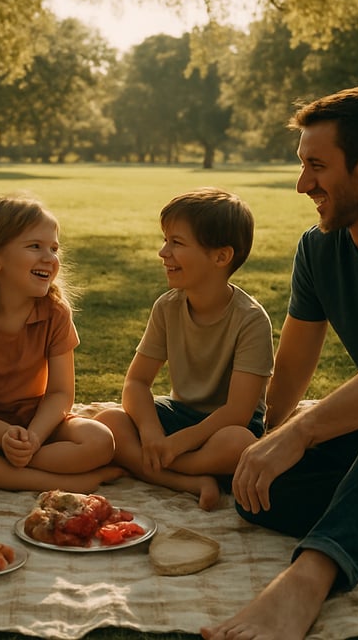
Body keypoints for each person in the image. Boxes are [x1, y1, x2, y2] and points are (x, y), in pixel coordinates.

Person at [201, 87, 358, 640]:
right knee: (259, 495)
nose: (302, 185)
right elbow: (292, 363)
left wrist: (306, 432)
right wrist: (273, 439)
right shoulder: (319, 249)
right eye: (302, 167)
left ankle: (310, 576)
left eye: (316, 166)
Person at [0, 193, 120, 500]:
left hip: (35, 423)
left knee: (100, 441)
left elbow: (60, 393)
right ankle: (55, 482)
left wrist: (32, 439)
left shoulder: (55, 312)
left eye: (54, 248)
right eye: (35, 246)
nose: (50, 257)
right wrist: (3, 435)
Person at [96, 188, 274, 510]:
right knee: (109, 422)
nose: (163, 252)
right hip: (180, 416)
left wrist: (177, 444)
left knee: (240, 445)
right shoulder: (167, 307)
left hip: (225, 428)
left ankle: (162, 467)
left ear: (221, 257)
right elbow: (136, 383)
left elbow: (238, 411)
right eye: (165, 240)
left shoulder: (251, 320)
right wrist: (151, 433)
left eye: (176, 243)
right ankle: (189, 480)